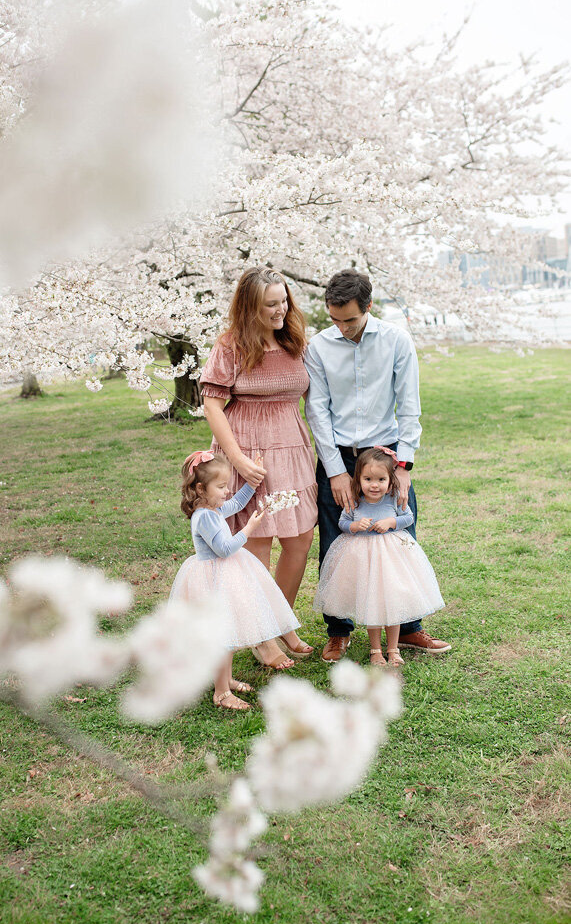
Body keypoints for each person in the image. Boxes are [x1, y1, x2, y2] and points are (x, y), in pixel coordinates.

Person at [305, 268, 451, 662]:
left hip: (387, 460)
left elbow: (409, 407)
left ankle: (408, 628)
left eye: (349, 320)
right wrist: (335, 471)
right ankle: (338, 630)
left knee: (400, 541)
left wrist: (404, 465)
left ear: (368, 307)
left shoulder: (396, 340)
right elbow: (317, 410)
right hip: (339, 458)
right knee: (336, 542)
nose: (342, 328)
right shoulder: (318, 346)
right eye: (334, 320)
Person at [201, 267, 317, 659]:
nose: (281, 309)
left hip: (292, 444)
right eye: (271, 304)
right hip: (247, 447)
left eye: (284, 300)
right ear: (250, 307)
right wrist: (236, 459)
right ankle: (260, 636)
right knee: (258, 543)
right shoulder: (231, 346)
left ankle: (279, 621)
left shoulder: (294, 339)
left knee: (300, 539)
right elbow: (212, 404)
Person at [170, 450, 302, 710]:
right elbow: (225, 549)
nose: (227, 491)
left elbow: (237, 504)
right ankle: (220, 693)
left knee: (227, 633)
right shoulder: (204, 517)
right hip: (213, 580)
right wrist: (249, 529)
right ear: (200, 488)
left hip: (225, 576)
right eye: (221, 487)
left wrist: (253, 482)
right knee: (223, 637)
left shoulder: (213, 508)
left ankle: (226, 679)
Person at [314, 447, 445, 667]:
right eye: (368, 479)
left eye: (381, 479)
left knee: (393, 599)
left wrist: (391, 523)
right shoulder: (355, 500)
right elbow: (343, 522)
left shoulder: (393, 498)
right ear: (358, 479)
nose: (374, 485)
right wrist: (354, 526)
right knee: (371, 601)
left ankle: (393, 649)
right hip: (363, 557)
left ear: (390, 480)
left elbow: (408, 517)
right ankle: (375, 650)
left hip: (390, 557)